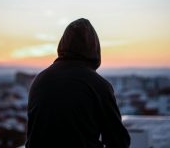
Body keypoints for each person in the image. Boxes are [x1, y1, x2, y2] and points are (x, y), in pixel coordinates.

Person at [26, 18, 130, 148]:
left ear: (62, 44)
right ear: (94, 48)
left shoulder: (39, 80)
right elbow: (118, 141)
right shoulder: (98, 85)